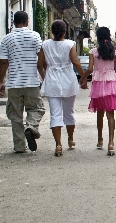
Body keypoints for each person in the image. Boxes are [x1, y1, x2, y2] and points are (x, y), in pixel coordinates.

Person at [37, 20, 87, 156]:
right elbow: (75, 62)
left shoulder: (45, 44)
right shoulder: (70, 44)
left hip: (52, 80)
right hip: (68, 80)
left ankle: (58, 145)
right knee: (69, 112)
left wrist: (45, 77)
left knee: (55, 114)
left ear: (52, 31)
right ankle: (70, 139)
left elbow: (40, 64)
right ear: (64, 31)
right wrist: (83, 78)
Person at [0, 11, 45, 153]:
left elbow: (3, 62)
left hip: (13, 83)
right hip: (32, 81)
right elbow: (41, 58)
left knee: (15, 115)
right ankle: (31, 127)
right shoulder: (35, 36)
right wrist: (44, 76)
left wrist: (1, 82)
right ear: (27, 21)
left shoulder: (6, 39)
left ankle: (19, 146)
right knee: (37, 109)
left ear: (14, 22)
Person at [79, 27, 116, 156]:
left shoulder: (94, 51)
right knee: (111, 114)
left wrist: (82, 79)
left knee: (99, 112)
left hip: (98, 83)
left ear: (98, 37)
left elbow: (89, 69)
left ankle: (100, 140)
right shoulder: (113, 51)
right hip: (110, 83)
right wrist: (111, 73)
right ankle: (111, 144)